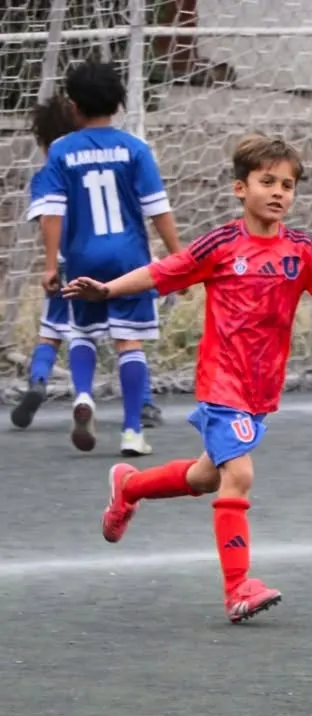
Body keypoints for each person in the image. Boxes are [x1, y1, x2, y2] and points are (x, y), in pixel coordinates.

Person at [63, 132, 312, 624]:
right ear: (239, 189)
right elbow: (165, 271)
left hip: (260, 390)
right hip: (221, 383)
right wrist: (107, 290)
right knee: (241, 475)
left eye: (287, 185)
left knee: (207, 477)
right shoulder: (222, 244)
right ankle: (237, 589)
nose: (278, 192)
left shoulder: (303, 250)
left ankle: (131, 488)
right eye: (267, 181)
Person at [38, 59, 181, 456]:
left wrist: (51, 264)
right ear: (117, 104)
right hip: (130, 262)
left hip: (83, 258)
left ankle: (84, 396)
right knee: (128, 342)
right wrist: (179, 260)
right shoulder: (135, 148)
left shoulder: (61, 151)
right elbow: (157, 208)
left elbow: (52, 211)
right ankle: (133, 431)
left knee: (81, 333)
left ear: (74, 106)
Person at [10, 95, 77, 430]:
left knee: (50, 333)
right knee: (124, 337)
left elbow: (46, 221)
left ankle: (37, 381)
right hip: (102, 261)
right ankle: (143, 404)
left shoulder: (43, 177)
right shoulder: (87, 166)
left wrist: (50, 263)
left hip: (62, 264)